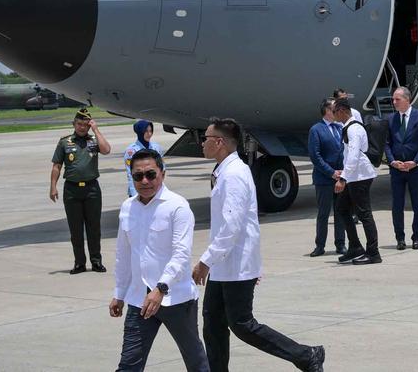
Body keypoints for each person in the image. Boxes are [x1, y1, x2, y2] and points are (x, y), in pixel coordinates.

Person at [192, 118, 325, 372]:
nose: (202, 143)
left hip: (235, 265)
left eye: (206, 138)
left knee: (242, 324)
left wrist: (205, 261)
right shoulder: (225, 171)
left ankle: (306, 355)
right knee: (213, 323)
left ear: (219, 143)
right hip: (225, 266)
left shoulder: (233, 176)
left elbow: (232, 226)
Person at [110, 148, 210, 372]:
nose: (145, 181)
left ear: (162, 174)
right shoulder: (128, 208)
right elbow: (123, 255)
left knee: (196, 362)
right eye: (138, 176)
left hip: (176, 299)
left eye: (150, 174)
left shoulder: (177, 206)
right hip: (139, 299)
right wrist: (119, 293)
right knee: (129, 364)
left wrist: (160, 288)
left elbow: (181, 254)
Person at [49, 108, 113, 274]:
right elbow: (57, 166)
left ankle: (96, 261)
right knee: (75, 229)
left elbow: (106, 150)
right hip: (72, 190)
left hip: (92, 189)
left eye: (85, 124)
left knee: (94, 228)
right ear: (74, 124)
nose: (82, 127)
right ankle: (79, 263)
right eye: (79, 124)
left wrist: (96, 130)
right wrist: (53, 186)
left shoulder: (93, 141)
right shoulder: (64, 142)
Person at [332, 98, 381, 264]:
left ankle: (373, 253)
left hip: (360, 177)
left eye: (334, 112)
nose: (333, 115)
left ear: (342, 111)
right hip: (353, 175)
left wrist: (343, 178)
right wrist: (344, 172)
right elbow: (349, 156)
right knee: (341, 209)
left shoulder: (353, 129)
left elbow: (354, 156)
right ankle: (355, 247)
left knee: (364, 213)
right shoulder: (348, 127)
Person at [384, 86, 418, 250]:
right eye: (393, 99)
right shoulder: (390, 119)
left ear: (407, 99)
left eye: (397, 99)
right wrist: (392, 161)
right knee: (397, 205)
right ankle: (400, 239)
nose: (394, 102)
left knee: (417, 203)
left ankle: (416, 237)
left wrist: (415, 162)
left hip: (415, 168)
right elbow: (387, 144)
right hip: (397, 169)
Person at [306, 98, 346, 257]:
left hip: (340, 177)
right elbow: (315, 156)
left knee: (340, 212)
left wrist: (342, 173)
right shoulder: (316, 130)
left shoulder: (340, 128)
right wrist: (331, 172)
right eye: (335, 109)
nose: (337, 112)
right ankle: (320, 245)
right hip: (324, 179)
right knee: (323, 213)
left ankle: (341, 244)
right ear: (327, 111)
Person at [123, 120, 164, 198]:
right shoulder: (131, 151)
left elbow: (162, 169)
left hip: (155, 189)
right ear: (140, 132)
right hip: (139, 189)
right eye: (146, 131)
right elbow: (130, 174)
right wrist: (135, 195)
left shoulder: (156, 147)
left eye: (151, 131)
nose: (149, 134)